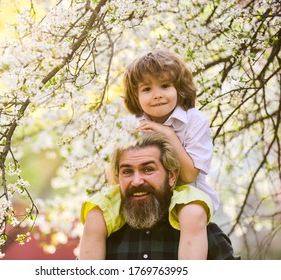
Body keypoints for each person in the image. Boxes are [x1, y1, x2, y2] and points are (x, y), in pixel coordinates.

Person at [79, 49, 219, 259]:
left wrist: (169, 134)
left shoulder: (194, 121)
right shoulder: (130, 125)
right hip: (145, 190)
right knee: (96, 212)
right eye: (147, 89)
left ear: (179, 89)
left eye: (165, 86)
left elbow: (189, 175)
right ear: (136, 96)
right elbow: (116, 175)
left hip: (185, 193)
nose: (157, 95)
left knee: (192, 214)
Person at [82, 132, 238, 259]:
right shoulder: (103, 236)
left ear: (171, 176)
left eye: (148, 169)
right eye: (127, 172)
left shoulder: (202, 233)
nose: (136, 181)